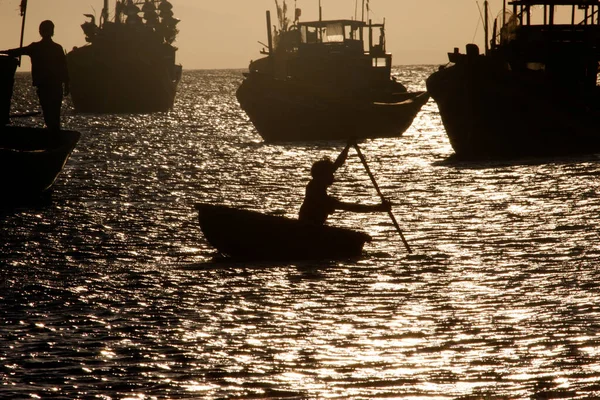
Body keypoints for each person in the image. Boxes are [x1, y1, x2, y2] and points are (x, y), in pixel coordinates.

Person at [299, 140, 391, 225]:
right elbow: (349, 207)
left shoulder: (317, 182)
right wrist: (377, 208)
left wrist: (348, 146)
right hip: (309, 228)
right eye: (330, 174)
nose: (333, 176)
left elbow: (338, 163)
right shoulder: (318, 194)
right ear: (323, 175)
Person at [0, 20, 69, 131]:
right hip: (47, 86)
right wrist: (5, 51)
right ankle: (54, 134)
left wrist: (67, 84)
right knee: (51, 113)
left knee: (52, 113)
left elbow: (63, 67)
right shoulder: (41, 47)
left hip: (52, 86)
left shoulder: (49, 48)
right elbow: (19, 51)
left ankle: (54, 134)